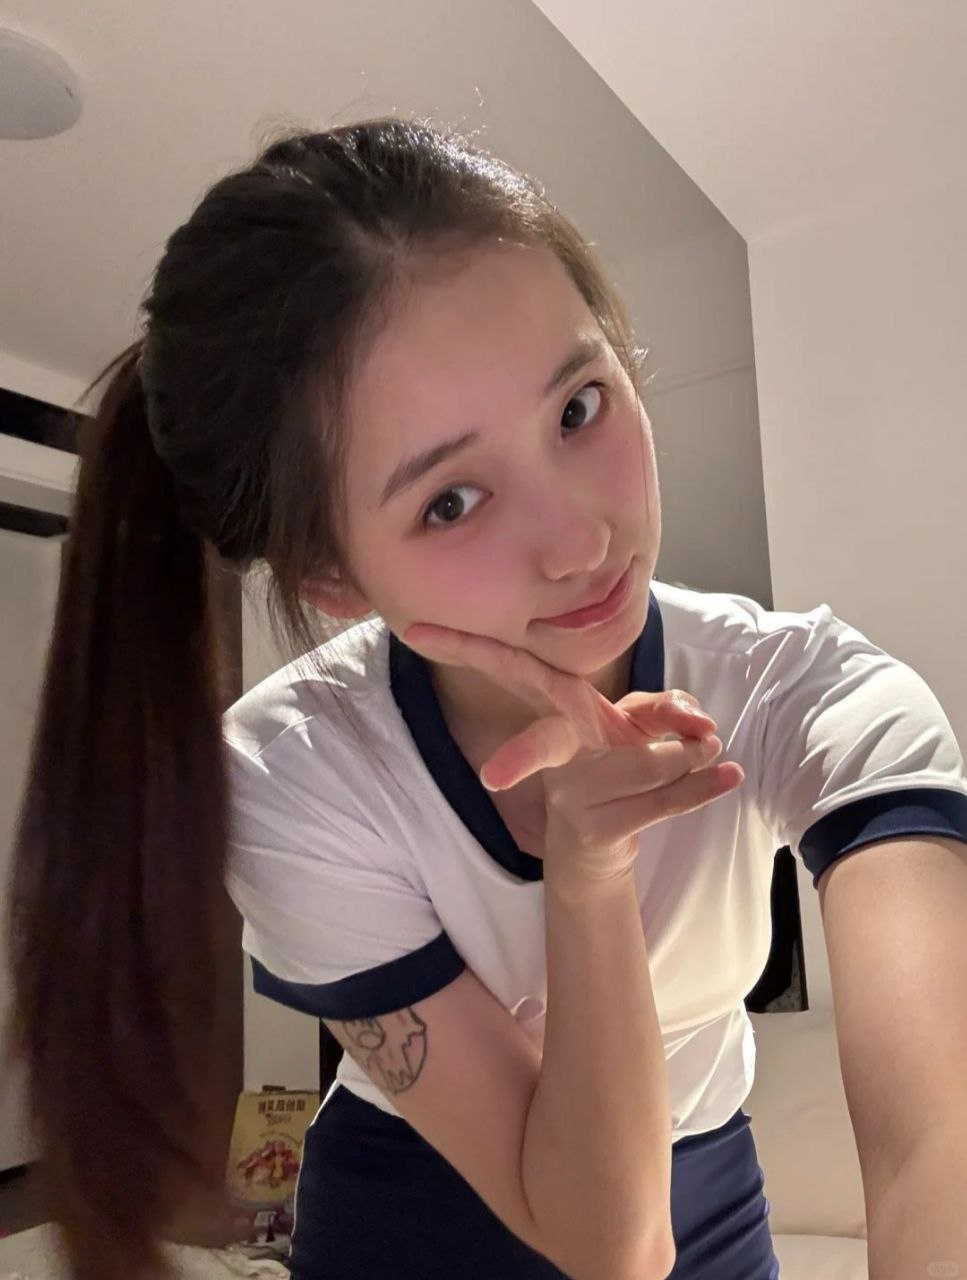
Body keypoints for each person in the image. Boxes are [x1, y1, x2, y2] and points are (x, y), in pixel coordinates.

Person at [8, 117, 967, 1280]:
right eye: (450, 502)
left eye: (577, 408)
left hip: (706, 1189)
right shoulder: (292, 767)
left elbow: (935, 1149)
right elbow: (610, 1245)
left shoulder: (805, 692)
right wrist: (587, 871)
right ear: (334, 579)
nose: (579, 541)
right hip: (405, 1213)